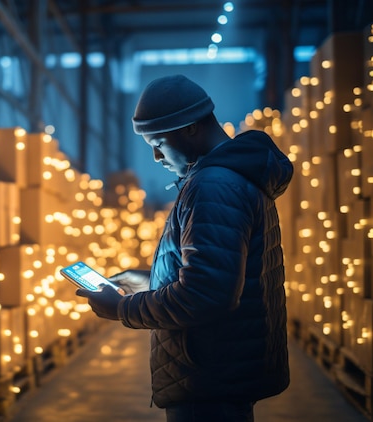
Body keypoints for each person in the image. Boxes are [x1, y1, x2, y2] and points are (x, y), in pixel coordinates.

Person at [76, 74, 292, 422]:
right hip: (219, 370)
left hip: (208, 377)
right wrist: (149, 280)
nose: (156, 155)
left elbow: (207, 294)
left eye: (159, 141)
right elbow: (216, 276)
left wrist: (122, 310)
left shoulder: (214, 186)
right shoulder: (226, 179)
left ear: (190, 128)